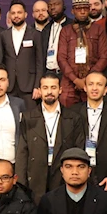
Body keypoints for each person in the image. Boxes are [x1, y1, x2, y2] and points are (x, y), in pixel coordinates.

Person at [16, 72, 86, 203]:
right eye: (45, 88)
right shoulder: (28, 117)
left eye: (53, 87)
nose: (49, 92)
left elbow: (78, 149)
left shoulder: (73, 118)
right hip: (35, 177)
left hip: (62, 177)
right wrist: (21, 184)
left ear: (60, 90)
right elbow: (22, 152)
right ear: (40, 90)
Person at [71, 72, 107, 195]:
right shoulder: (73, 112)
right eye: (91, 84)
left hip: (106, 175)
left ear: (106, 89)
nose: (94, 88)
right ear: (85, 88)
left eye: (99, 84)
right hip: (79, 172)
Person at [57, 0, 107, 108]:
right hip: (70, 81)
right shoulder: (66, 31)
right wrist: (76, 80)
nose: (82, 12)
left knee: (93, 110)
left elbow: (104, 57)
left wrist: (88, 78)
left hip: (92, 80)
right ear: (72, 11)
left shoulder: (98, 29)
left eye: (85, 8)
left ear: (89, 9)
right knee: (67, 110)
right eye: (78, 9)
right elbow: (61, 58)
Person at [0, 0, 43, 110]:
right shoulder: (4, 35)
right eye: (13, 13)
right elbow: (1, 61)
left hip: (29, 86)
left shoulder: (35, 34)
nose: (16, 16)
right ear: (9, 15)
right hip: (10, 86)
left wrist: (37, 86)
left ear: (26, 14)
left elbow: (40, 62)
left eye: (19, 12)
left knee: (30, 118)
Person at [41, 0, 73, 77]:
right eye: (50, 5)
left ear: (64, 7)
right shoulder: (46, 28)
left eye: (56, 4)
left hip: (67, 73)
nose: (52, 7)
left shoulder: (72, 25)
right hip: (49, 72)